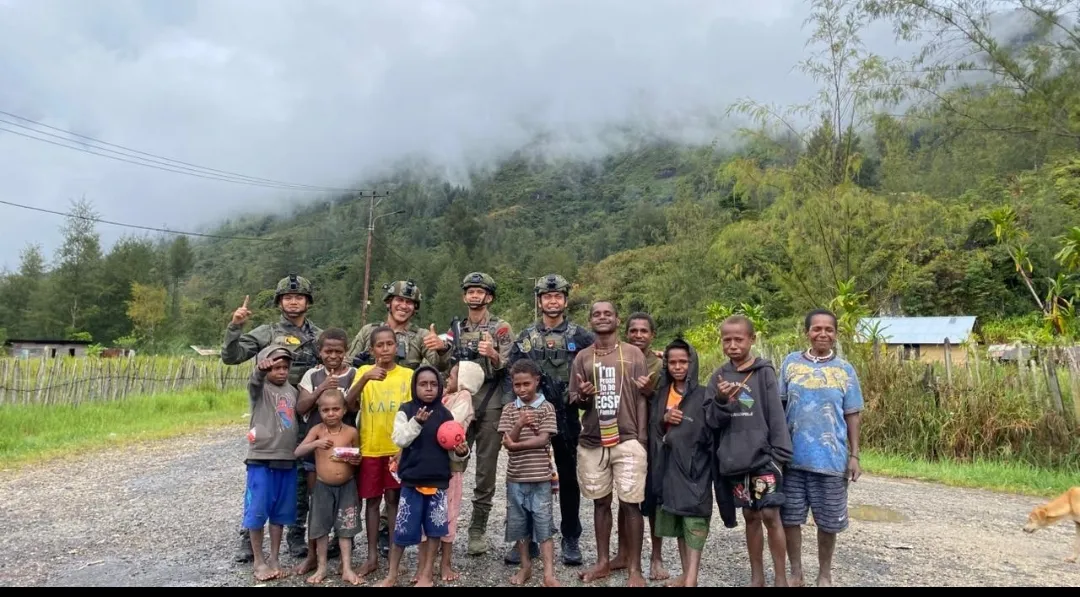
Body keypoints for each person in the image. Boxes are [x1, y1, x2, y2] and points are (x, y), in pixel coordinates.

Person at [223, 274, 323, 562]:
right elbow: (232, 356)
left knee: (301, 475)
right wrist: (235, 327)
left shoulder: (318, 335)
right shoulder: (266, 332)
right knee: (261, 478)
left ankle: (295, 534)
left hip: (305, 411)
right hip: (269, 411)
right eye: (288, 297)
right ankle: (248, 534)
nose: (294, 301)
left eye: (299, 297)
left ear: (308, 302)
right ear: (280, 302)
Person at [347, 280, 450, 557]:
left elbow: (436, 369)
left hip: (407, 420)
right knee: (363, 491)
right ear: (388, 303)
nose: (403, 306)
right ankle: (347, 538)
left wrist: (441, 349)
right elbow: (348, 364)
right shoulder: (369, 331)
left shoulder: (419, 337)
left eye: (409, 302)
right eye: (398, 300)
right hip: (370, 415)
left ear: (414, 308)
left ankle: (397, 540)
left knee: (397, 491)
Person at [504, 273, 595, 566]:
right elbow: (512, 372)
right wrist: (516, 412)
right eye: (547, 296)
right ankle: (528, 539)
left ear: (565, 300)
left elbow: (600, 360)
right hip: (532, 414)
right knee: (528, 477)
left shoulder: (581, 336)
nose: (552, 301)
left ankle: (570, 537)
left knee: (568, 478)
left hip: (566, 414)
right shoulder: (527, 336)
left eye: (557, 296)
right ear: (540, 301)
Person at [705, 315, 793, 587]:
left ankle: (780, 578)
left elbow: (775, 413)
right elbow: (711, 421)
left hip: (764, 456)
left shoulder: (764, 371)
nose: (732, 345)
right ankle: (757, 577)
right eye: (726, 340)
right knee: (750, 516)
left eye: (738, 339)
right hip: (735, 458)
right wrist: (721, 400)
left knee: (770, 514)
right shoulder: (718, 376)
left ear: (751, 339)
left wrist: (780, 454)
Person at [567, 301, 651, 587]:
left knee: (631, 504)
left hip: (627, 438)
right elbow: (575, 399)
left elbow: (642, 396)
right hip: (592, 440)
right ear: (590, 320)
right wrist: (585, 396)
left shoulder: (633, 353)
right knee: (600, 502)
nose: (602, 318)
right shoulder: (582, 358)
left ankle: (634, 569)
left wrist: (641, 438)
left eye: (608, 314)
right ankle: (603, 561)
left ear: (617, 319)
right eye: (596, 314)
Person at [779, 309, 864, 587]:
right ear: (807, 332)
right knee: (790, 519)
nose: (823, 334)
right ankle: (796, 572)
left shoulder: (844, 370)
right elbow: (779, 407)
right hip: (791, 460)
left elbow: (852, 413)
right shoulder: (790, 364)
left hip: (831, 459)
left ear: (836, 334)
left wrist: (854, 455)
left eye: (829, 329)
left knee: (829, 522)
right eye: (817, 329)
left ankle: (824, 573)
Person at [431, 272, 515, 556]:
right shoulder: (455, 328)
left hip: (490, 401)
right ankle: (443, 524)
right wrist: (442, 349)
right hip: (459, 403)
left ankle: (477, 529)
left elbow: (512, 365)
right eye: (471, 291)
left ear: (489, 296)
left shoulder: (501, 327)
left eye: (481, 292)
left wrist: (493, 354)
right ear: (464, 296)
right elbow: (444, 364)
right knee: (452, 461)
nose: (475, 296)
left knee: (486, 469)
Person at [377, 365, 471, 587]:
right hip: (411, 482)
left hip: (438, 483)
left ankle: (427, 575)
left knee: (434, 531)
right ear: (414, 387)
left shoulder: (445, 414)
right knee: (402, 532)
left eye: (433, 384)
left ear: (439, 387)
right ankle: (391, 575)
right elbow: (400, 439)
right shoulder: (406, 410)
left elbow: (453, 447)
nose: (429, 389)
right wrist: (416, 423)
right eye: (423, 384)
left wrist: (461, 451)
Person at [343, 326, 414, 579]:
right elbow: (348, 405)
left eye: (389, 344)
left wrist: (404, 450)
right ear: (372, 349)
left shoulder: (407, 375)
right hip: (371, 448)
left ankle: (396, 557)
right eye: (379, 345)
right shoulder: (363, 372)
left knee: (394, 502)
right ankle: (372, 557)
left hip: (396, 449)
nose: (385, 349)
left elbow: (413, 413)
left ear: (397, 346)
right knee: (372, 502)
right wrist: (364, 379)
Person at [648, 338, 713, 588]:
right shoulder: (662, 393)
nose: (678, 367)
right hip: (669, 465)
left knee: (695, 518)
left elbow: (712, 429)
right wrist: (665, 418)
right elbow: (654, 428)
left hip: (696, 466)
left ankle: (692, 578)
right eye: (672, 362)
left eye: (683, 362)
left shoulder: (704, 393)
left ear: (692, 363)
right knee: (677, 516)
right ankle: (686, 574)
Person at [294, 328, 358, 570]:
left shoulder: (352, 374)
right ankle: (313, 555)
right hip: (317, 450)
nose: (333, 356)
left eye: (338, 351)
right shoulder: (312, 375)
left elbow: (353, 408)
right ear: (319, 352)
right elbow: (301, 407)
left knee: (348, 505)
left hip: (345, 448)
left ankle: (345, 559)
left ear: (346, 352)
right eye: (328, 351)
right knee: (316, 503)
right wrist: (322, 388)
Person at [499, 359, 561, 587]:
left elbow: (544, 438)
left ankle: (548, 573)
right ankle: (525, 566)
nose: (522, 389)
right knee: (519, 524)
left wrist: (517, 446)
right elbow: (507, 440)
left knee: (544, 524)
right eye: (517, 385)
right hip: (515, 478)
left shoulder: (547, 408)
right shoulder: (509, 409)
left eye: (527, 384)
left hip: (540, 478)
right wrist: (519, 424)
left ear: (537, 381)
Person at [293, 390, 363, 585]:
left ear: (344, 410)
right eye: (325, 410)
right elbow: (298, 451)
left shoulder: (351, 431)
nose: (330, 414)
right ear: (319, 411)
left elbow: (358, 456)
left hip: (347, 487)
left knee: (345, 528)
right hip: (322, 486)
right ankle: (322, 567)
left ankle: (347, 567)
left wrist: (356, 459)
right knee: (321, 528)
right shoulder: (317, 430)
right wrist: (316, 443)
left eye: (335, 409)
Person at [242, 346, 300, 582]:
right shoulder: (260, 388)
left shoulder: (292, 391)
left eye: (285, 367)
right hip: (261, 458)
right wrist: (258, 370)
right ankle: (259, 560)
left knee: (280, 513)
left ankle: (275, 557)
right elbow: (254, 382)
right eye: (276, 367)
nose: (281, 372)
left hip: (287, 459)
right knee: (256, 511)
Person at [617, 311, 667, 579]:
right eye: (633, 331)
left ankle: (656, 557)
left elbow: (672, 398)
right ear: (626, 333)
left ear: (652, 335)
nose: (638, 336)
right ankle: (622, 553)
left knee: (652, 496)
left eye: (643, 331)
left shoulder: (661, 365)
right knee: (626, 497)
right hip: (623, 433)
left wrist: (651, 393)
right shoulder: (617, 357)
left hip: (652, 436)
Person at [425, 361, 480, 582]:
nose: (447, 378)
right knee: (430, 511)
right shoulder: (446, 398)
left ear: (464, 380)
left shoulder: (463, 398)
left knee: (448, 513)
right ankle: (427, 563)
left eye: (453, 375)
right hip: (433, 463)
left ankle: (445, 563)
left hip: (450, 465)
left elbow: (449, 424)